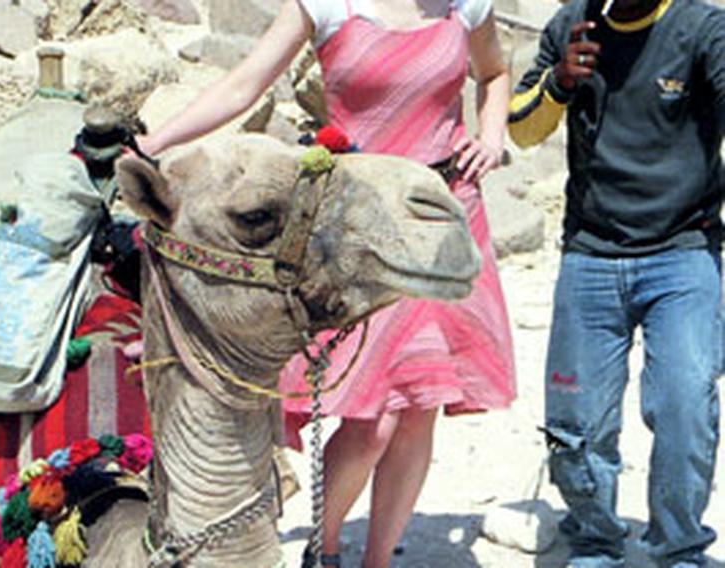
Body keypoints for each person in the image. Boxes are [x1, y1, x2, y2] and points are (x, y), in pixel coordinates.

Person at [138, 1, 516, 566]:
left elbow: (495, 73)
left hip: (442, 212)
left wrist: (491, 135)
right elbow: (244, 84)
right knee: (371, 423)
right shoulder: (325, 4)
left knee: (419, 408)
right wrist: (153, 144)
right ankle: (326, 549)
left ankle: (378, 559)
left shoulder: (466, 6)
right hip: (356, 232)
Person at [509, 0, 724, 566]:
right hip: (591, 254)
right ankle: (595, 539)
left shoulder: (702, 28)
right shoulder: (569, 26)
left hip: (683, 252)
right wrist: (559, 83)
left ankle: (678, 547)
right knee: (576, 421)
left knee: (685, 406)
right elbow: (521, 129)